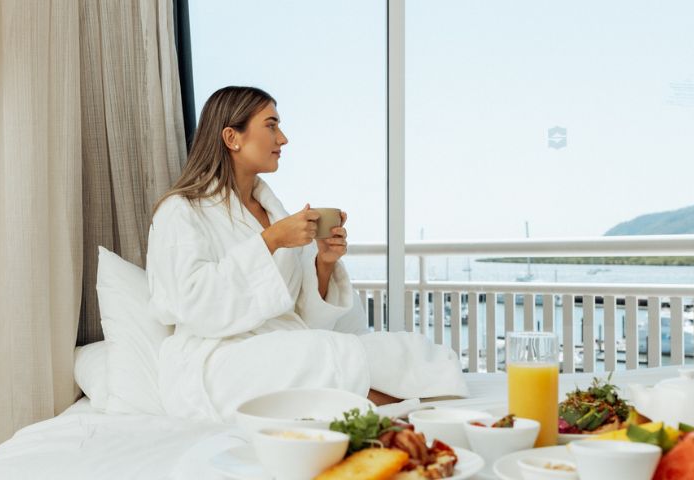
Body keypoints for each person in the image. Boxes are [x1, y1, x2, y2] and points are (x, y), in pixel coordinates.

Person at [146, 86, 467, 422]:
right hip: (220, 360)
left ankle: (383, 399)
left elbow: (302, 314)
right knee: (316, 353)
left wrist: (323, 264)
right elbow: (192, 301)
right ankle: (395, 407)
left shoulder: (272, 212)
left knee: (403, 349)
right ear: (232, 137)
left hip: (284, 345)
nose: (282, 138)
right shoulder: (179, 211)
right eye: (271, 125)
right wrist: (269, 242)